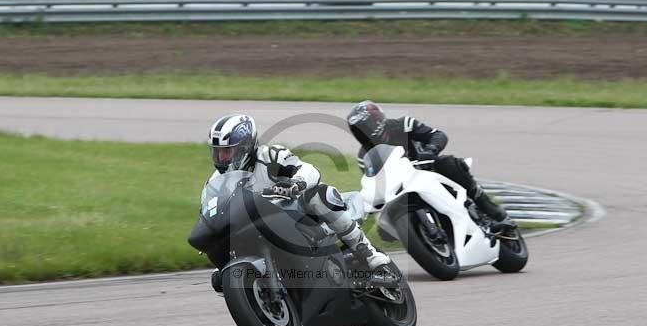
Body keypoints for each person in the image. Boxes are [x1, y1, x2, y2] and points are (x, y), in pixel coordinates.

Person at [205, 114, 391, 284]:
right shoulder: (215, 183)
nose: (221, 157)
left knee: (321, 194)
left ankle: (368, 254)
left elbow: (309, 170)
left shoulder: (269, 156)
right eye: (217, 151)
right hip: (254, 229)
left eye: (227, 151)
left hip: (294, 214)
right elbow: (212, 216)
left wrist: (296, 184)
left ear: (244, 147)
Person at [346, 100, 515, 228]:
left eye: (365, 126)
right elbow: (374, 182)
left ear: (376, 120)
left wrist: (431, 150)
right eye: (359, 130)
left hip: (427, 168)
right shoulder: (364, 157)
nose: (364, 132)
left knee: (449, 163)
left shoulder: (403, 125)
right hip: (401, 186)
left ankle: (491, 210)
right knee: (385, 229)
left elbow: (437, 135)